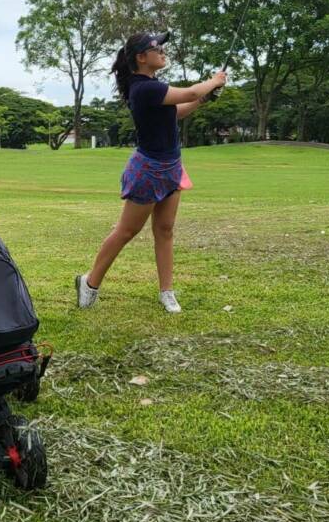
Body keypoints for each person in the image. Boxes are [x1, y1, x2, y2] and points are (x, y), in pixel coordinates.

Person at [75, 32, 226, 313]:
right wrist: (213, 82)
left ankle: (167, 292)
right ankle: (90, 282)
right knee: (127, 230)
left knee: (165, 230)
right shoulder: (143, 88)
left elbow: (177, 111)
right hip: (148, 169)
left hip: (171, 166)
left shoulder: (153, 87)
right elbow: (192, 91)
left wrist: (205, 99)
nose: (163, 51)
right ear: (141, 57)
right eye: (157, 48)